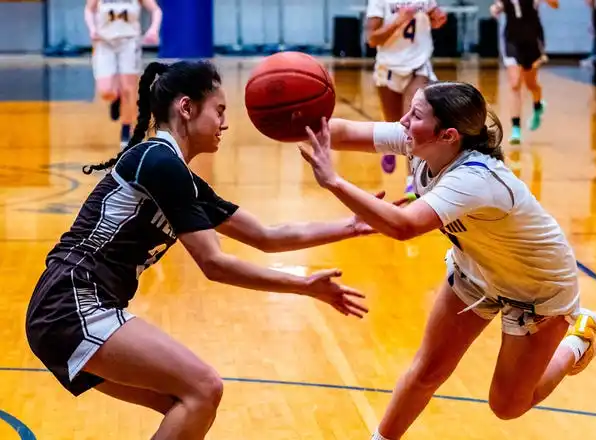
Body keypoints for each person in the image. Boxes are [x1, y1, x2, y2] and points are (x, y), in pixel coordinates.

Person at [25, 60, 371, 440]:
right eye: (219, 111)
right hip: (72, 302)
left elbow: (267, 236)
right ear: (186, 108)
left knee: (187, 400)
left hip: (65, 308)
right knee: (204, 387)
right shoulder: (158, 162)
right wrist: (304, 285)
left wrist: (353, 226)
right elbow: (214, 263)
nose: (225, 124)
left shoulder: (178, 175)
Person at [298, 81, 596, 440]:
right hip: (477, 269)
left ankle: (578, 339)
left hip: (537, 288)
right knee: (427, 371)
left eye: (416, 115)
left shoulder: (474, 178)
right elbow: (341, 131)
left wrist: (334, 181)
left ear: (449, 135)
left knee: (507, 406)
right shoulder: (421, 138)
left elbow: (405, 226)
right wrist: (287, 117)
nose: (404, 121)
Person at [366, 0, 447, 194]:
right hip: (389, 67)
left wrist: (438, 19)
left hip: (418, 65)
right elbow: (372, 39)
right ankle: (389, 148)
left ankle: (412, 181)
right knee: (393, 122)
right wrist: (398, 21)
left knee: (412, 126)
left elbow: (436, 21)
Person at [84, 0, 162, 149]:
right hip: (104, 43)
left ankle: (126, 130)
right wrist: (92, 29)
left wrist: (153, 30)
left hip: (129, 42)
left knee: (129, 89)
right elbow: (89, 9)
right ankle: (116, 98)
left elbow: (156, 10)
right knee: (106, 92)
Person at [490, 0, 557, 144]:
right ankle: (516, 128)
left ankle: (538, 106)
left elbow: (555, 5)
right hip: (512, 41)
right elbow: (498, 6)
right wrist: (496, 9)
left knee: (531, 84)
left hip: (533, 41)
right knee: (515, 84)